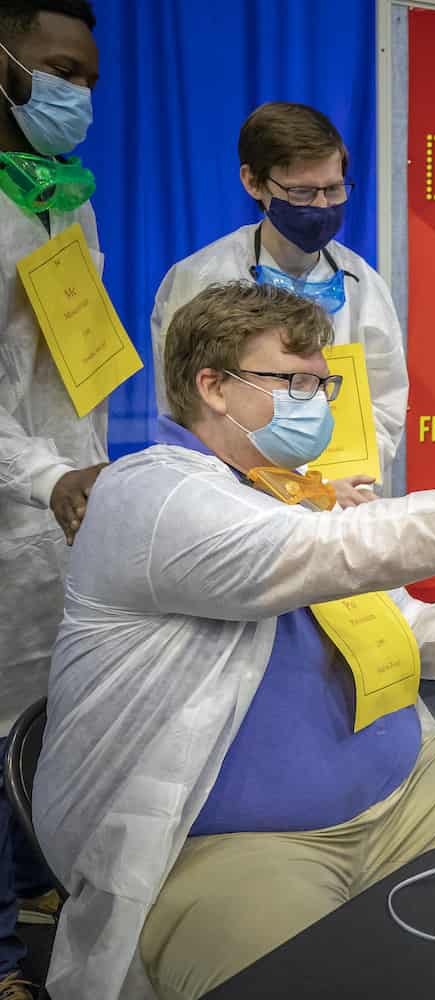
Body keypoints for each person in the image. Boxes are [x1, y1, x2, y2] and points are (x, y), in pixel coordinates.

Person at [32, 282, 435, 1000]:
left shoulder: (285, 488)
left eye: (321, 383)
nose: (315, 401)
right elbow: (339, 551)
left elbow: (395, 629)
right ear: (214, 388)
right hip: (234, 851)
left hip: (412, 785)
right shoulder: (154, 495)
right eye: (294, 381)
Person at [150, 102, 407, 506]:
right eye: (302, 192)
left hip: (346, 499)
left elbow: (386, 403)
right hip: (233, 502)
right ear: (253, 182)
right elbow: (189, 413)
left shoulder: (364, 284)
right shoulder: (200, 280)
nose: (322, 206)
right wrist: (301, 489)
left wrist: (339, 486)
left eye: (334, 189)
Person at [0, 0, 99, 994]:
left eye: (90, 79)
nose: (76, 94)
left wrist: (89, 473)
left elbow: (78, 365)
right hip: (13, 510)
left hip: (65, 514)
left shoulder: (64, 194)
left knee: (45, 716)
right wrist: (47, 476)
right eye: (58, 68)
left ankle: (34, 882)